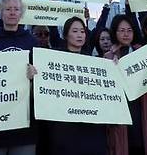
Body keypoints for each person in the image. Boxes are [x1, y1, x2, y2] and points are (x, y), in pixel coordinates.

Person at [39, 17, 108, 155]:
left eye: (82, 31)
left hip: (90, 127)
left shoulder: (94, 62)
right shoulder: (54, 58)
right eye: (75, 31)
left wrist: (112, 67)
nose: (79, 35)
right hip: (63, 127)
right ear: (65, 35)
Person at [0, 0, 38, 155]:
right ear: (1, 13)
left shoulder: (31, 42)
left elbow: (42, 80)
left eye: (16, 9)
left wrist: (35, 75)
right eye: (8, 9)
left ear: (21, 13)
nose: (12, 12)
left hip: (23, 124)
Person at [105, 14, 147, 155]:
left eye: (129, 30)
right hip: (122, 119)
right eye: (121, 30)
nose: (126, 34)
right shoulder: (107, 58)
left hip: (146, 111)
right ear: (115, 32)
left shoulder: (144, 52)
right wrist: (112, 70)